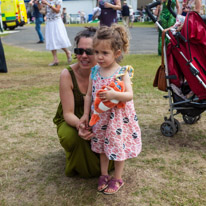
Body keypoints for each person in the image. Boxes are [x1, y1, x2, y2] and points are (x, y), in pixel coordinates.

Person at [80, 24, 142, 194]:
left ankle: (118, 178)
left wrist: (115, 94)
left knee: (117, 147)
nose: (99, 57)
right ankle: (104, 174)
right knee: (102, 147)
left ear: (117, 53)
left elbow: (129, 95)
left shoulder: (122, 72)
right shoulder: (94, 71)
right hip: (99, 117)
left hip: (118, 119)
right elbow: (88, 95)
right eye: (97, 52)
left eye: (105, 53)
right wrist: (86, 114)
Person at [53, 27, 114, 178]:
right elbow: (67, 113)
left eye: (89, 51)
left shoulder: (106, 72)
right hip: (73, 118)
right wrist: (80, 125)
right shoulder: (67, 74)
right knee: (73, 137)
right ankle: (77, 161)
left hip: (100, 118)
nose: (83, 56)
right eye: (79, 51)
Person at [41, 0, 72, 66]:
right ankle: (55, 60)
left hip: (56, 22)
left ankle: (67, 52)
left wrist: (48, 4)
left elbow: (57, 10)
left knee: (59, 39)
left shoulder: (58, 1)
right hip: (49, 22)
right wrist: (40, 5)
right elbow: (44, 11)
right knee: (51, 40)